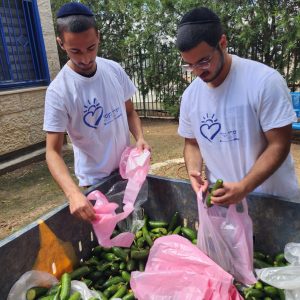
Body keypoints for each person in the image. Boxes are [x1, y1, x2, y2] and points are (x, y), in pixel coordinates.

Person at [176, 7, 299, 205]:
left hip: (274, 202)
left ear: (222, 42)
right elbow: (191, 143)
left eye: (204, 61)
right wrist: (194, 171)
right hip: (225, 205)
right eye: (189, 65)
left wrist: (245, 186)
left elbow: (279, 144)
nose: (197, 72)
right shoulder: (191, 96)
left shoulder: (264, 81)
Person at [43, 2, 150, 222]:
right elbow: (52, 152)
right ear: (61, 43)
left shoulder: (113, 69)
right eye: (75, 51)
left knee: (135, 228)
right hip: (95, 182)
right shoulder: (59, 91)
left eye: (91, 47)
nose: (85, 58)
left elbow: (130, 111)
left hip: (126, 170)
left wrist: (139, 138)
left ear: (98, 37)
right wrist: (73, 193)